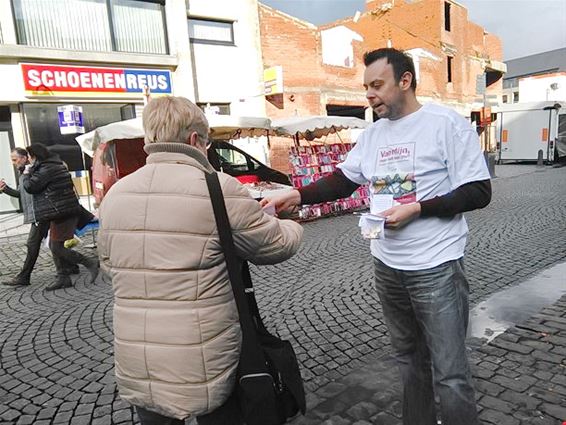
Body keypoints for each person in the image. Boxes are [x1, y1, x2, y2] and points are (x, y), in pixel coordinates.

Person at [261, 48, 491, 425]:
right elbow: (343, 180)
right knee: (410, 364)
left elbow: (479, 191)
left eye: (377, 85)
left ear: (405, 81)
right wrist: (296, 194)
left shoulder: (446, 124)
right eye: (366, 86)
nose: (369, 94)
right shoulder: (373, 135)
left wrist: (418, 208)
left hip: (437, 266)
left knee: (450, 373)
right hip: (388, 265)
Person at [97, 96, 303, 424]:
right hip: (205, 356)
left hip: (140, 356)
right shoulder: (218, 188)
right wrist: (290, 221)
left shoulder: (116, 195)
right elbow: (275, 246)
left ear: (150, 139)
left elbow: (109, 265)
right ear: (196, 140)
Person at [22, 143, 99, 291]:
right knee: (54, 244)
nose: (29, 161)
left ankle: (89, 262)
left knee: (55, 247)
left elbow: (30, 187)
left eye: (30, 157)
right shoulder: (55, 165)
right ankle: (63, 278)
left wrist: (26, 174)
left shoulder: (46, 169)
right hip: (62, 210)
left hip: (62, 211)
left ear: (35, 157)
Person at [0, 149, 79, 286]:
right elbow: (22, 194)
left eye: (15, 159)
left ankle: (24, 276)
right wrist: (5, 189)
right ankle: (70, 267)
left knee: (34, 244)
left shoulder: (33, 171)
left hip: (41, 213)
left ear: (25, 158)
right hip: (40, 213)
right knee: (54, 242)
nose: (13, 163)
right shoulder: (24, 173)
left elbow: (33, 189)